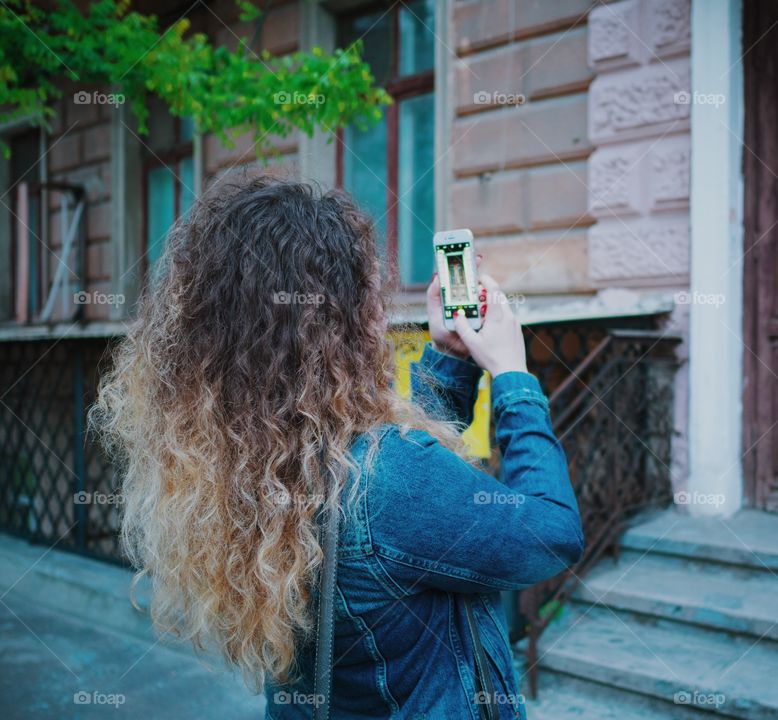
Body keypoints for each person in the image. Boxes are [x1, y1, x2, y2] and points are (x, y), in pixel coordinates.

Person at [93, 176, 584, 719]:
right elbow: (550, 533)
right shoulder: (384, 481)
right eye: (373, 297)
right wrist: (513, 375)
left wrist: (450, 356)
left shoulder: (253, 462)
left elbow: (388, 484)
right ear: (339, 323)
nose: (383, 318)